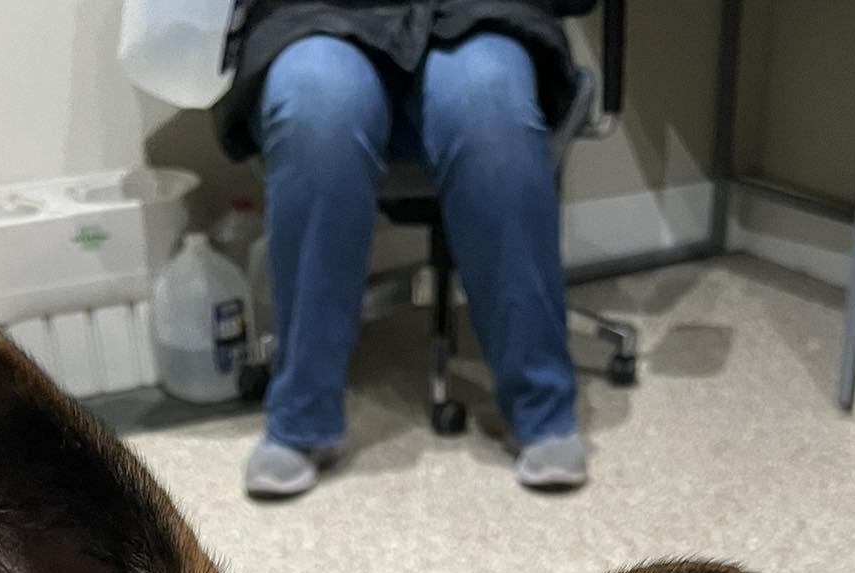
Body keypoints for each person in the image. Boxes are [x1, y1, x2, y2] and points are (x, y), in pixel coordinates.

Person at [216, 0, 596, 498]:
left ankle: (541, 408)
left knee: (489, 105)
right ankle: (301, 416)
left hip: (476, 11)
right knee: (317, 107)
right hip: (318, 13)